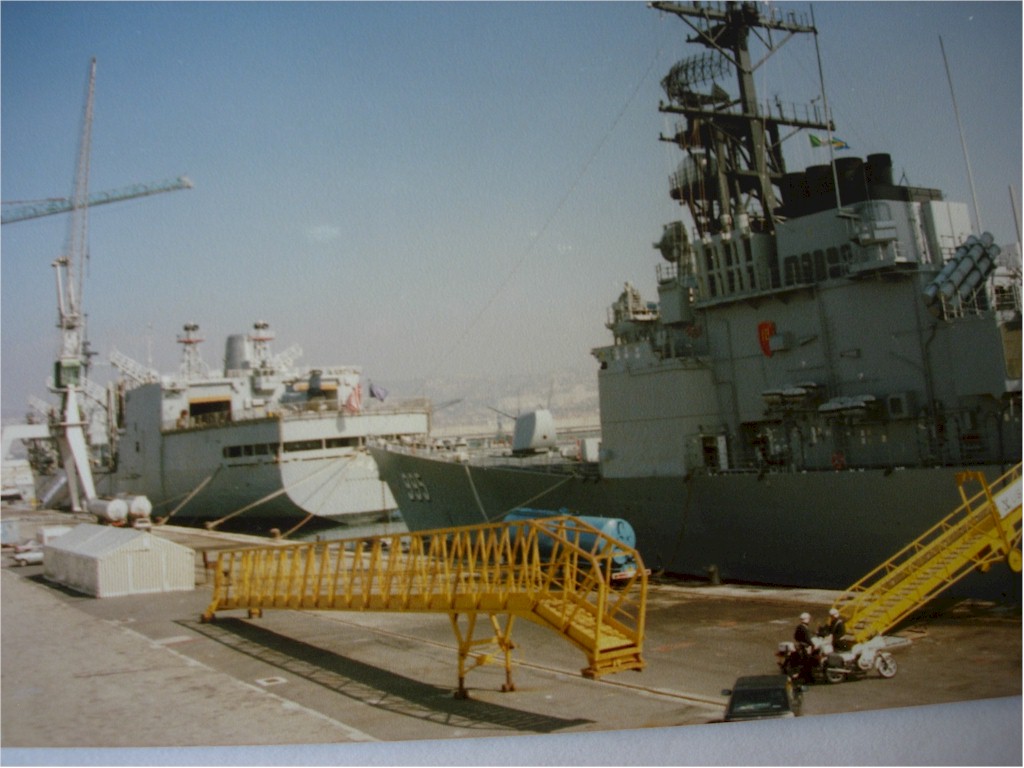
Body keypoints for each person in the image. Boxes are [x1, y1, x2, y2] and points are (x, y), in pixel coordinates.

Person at [793, 612, 816, 682]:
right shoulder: (804, 628)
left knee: (805, 661)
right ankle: (807, 677)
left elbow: (795, 636)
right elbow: (807, 639)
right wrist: (812, 645)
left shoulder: (799, 627)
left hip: (801, 645)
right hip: (805, 647)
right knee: (808, 661)